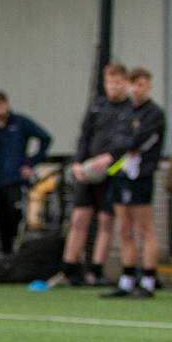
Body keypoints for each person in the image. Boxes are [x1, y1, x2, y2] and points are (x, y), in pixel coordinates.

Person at [56, 62, 131, 287]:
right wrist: (78, 163)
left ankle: (97, 269)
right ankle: (69, 267)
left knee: (106, 221)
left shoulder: (130, 110)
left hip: (112, 173)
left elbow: (128, 143)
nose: (113, 86)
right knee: (79, 218)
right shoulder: (97, 107)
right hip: (87, 172)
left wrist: (110, 158)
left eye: (118, 82)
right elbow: (84, 135)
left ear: (125, 83)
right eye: (110, 82)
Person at [102, 67, 166, 298]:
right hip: (121, 174)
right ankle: (127, 278)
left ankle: (148, 279)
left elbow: (137, 140)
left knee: (144, 228)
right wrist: (123, 143)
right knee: (124, 228)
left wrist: (127, 142)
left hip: (141, 175)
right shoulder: (126, 111)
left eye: (141, 85)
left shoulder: (154, 114)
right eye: (134, 85)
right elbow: (115, 139)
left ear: (148, 86)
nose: (137, 90)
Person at [0, 92, 51, 256]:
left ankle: (17, 252)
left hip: (15, 181)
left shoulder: (20, 122)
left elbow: (45, 138)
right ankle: (6, 254)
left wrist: (31, 163)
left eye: (0, 105)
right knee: (0, 220)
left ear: (6, 105)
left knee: (16, 217)